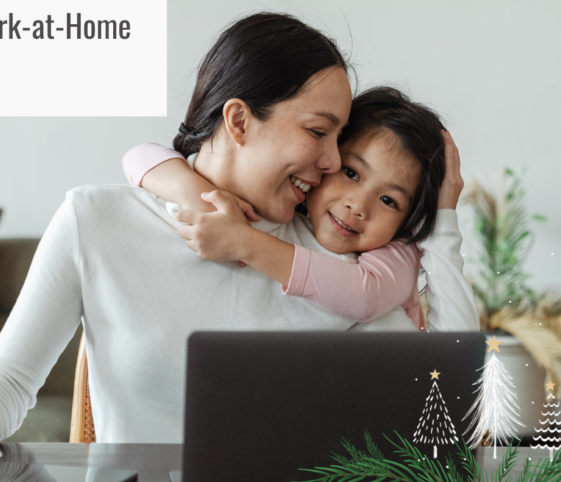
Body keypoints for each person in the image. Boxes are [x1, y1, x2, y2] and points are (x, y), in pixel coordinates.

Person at [0, 13, 478, 477]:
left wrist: (444, 218)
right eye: (316, 132)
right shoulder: (96, 220)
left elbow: (449, 401)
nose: (332, 162)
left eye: (339, 139)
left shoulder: (343, 262)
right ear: (238, 120)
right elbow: (10, 378)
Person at [121, 87, 466, 331]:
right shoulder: (288, 210)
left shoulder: (397, 252)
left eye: (390, 201)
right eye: (351, 172)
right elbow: (138, 155)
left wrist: (444, 218)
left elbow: (364, 296)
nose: (357, 206)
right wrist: (197, 194)